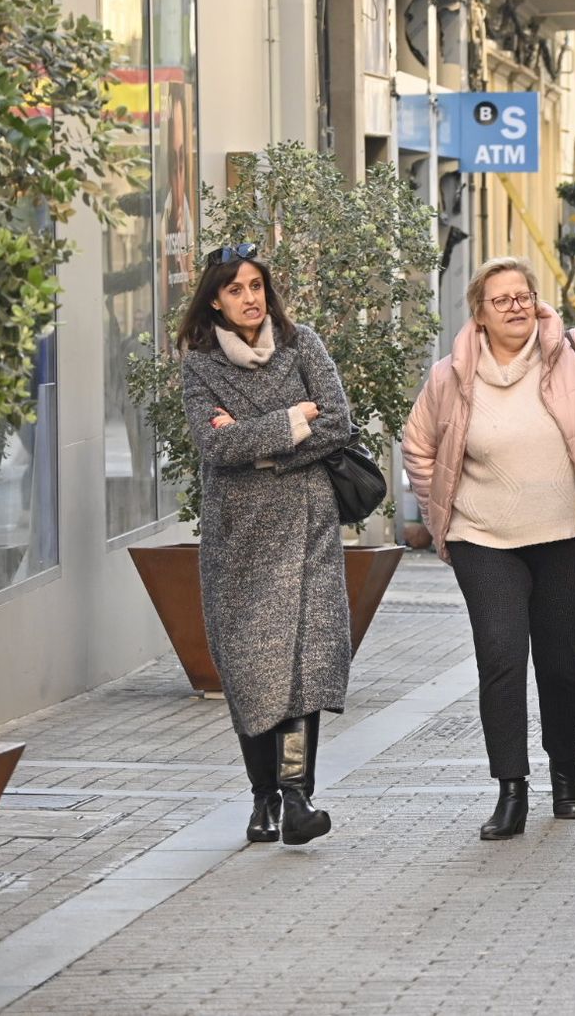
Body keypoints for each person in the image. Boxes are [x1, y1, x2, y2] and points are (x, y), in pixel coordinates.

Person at [401, 256, 575, 840]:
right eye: (503, 300)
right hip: (483, 538)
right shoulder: (449, 376)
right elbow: (418, 445)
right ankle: (511, 789)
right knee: (501, 658)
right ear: (479, 313)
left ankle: (564, 771)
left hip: (570, 535)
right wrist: (443, 508)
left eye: (523, 295)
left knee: (560, 661)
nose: (516, 306)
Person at [179, 243, 354, 846]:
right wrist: (291, 419)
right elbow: (215, 446)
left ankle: (298, 796)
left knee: (305, 667)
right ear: (215, 300)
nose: (249, 298)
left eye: (256, 286)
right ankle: (263, 799)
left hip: (307, 526)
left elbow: (338, 422)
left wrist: (261, 446)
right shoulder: (200, 364)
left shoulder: (302, 343)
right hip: (238, 540)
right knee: (252, 669)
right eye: (235, 289)